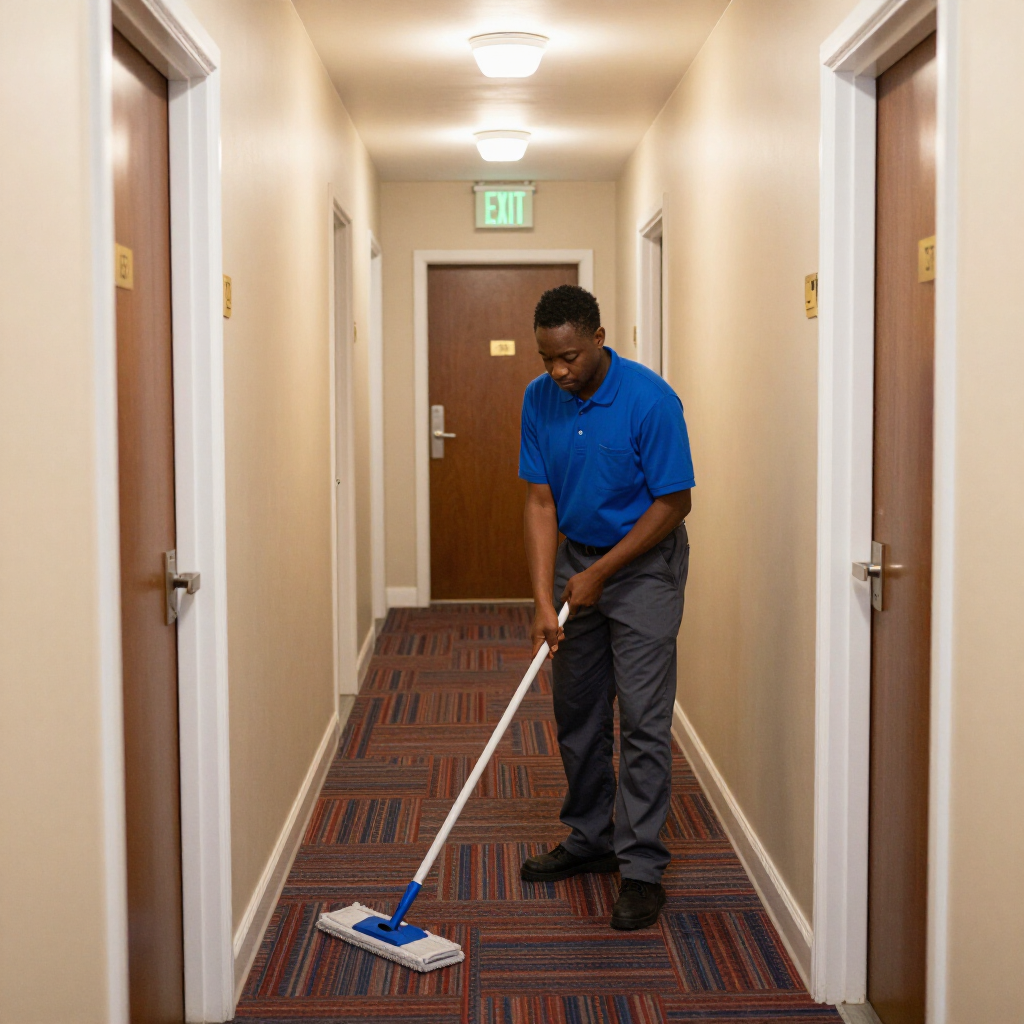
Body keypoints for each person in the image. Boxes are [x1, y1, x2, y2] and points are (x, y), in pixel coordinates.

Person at [517, 284, 694, 930]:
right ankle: (590, 837)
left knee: (643, 719)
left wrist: (601, 573)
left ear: (598, 338)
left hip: (642, 567)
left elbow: (674, 503)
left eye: (569, 357)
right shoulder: (540, 400)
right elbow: (540, 502)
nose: (558, 371)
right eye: (546, 359)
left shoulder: (649, 400)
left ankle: (642, 867)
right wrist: (543, 598)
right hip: (576, 563)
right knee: (577, 710)